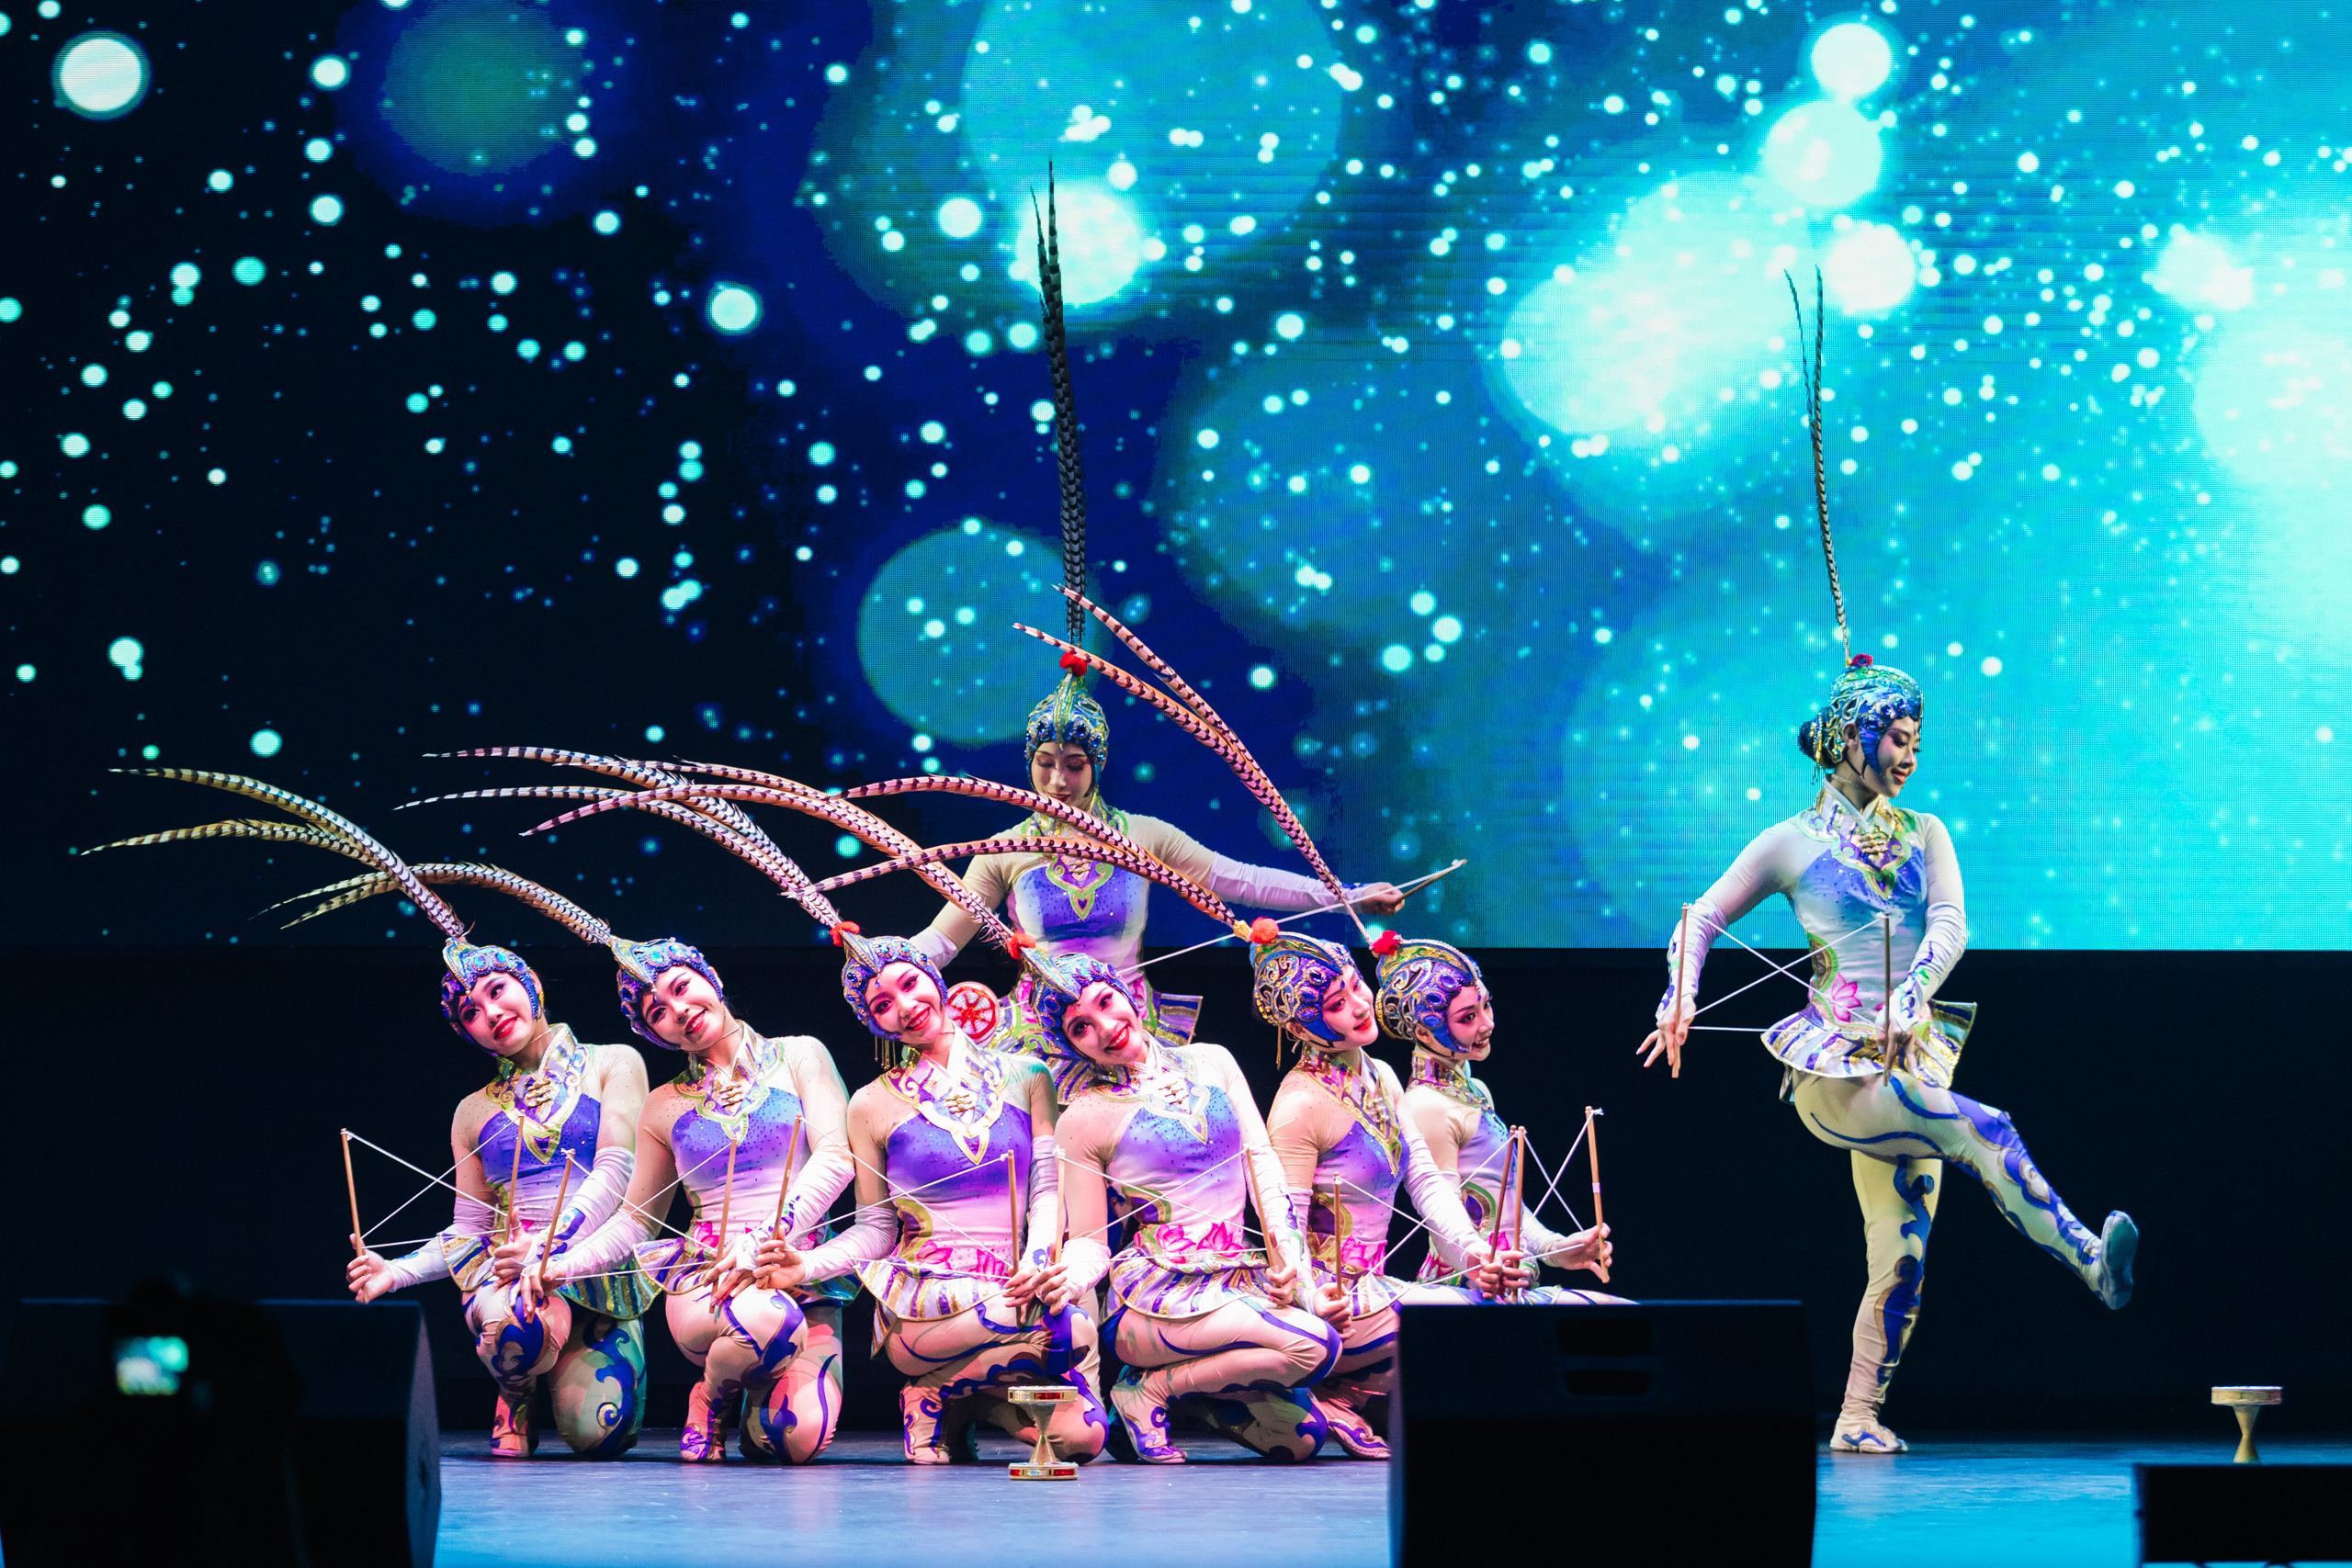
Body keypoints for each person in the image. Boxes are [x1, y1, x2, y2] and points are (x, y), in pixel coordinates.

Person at [1638, 288, 2136, 1455]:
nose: (1910, 752)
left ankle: (1858, 1415)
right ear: (1853, 737)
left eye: (1917, 736)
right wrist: (1678, 995)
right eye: (1895, 735)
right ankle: (2088, 1261)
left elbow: (1951, 925)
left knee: (1899, 1253)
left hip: (1909, 1047)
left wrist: (1916, 991)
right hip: (1836, 1063)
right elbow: (1699, 916)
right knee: (1986, 1128)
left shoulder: (1925, 833)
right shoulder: (1790, 841)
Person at [82, 769, 652, 1459]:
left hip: (595, 1270)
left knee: (600, 1434)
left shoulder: (613, 1062)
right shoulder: (473, 1111)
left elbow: (618, 1174)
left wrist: (552, 1245)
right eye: (470, 1012)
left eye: (498, 991)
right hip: (513, 1284)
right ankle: (517, 1384)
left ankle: (557, 1360)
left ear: (528, 984)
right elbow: (467, 1232)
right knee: (517, 1334)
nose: (490, 1012)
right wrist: (394, 1271)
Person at [757, 931, 1109, 1465]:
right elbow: (876, 1229)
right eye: (882, 1005)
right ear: (875, 1024)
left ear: (935, 978)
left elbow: (1045, 1187)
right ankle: (936, 1385)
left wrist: (1039, 1257)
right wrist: (805, 1265)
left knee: (1084, 1437)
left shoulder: (1028, 1076)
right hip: (926, 1306)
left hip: (1014, 1287)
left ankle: (952, 1397)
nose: (904, 1005)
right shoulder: (870, 1104)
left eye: (909, 983)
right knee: (1070, 1326)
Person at [527, 937, 854, 1464]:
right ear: (652, 1032)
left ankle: (757, 1399)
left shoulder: (800, 1055)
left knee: (793, 1441)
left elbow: (836, 1159)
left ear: (712, 979)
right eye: (658, 1012)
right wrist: (563, 1264)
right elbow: (636, 1220)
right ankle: (713, 1395)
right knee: (767, 1324)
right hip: (710, 1280)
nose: (678, 1010)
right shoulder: (662, 1106)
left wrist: (761, 1242)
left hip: (799, 1273)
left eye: (682, 988)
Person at [1026, 949, 1347, 1462]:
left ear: (1127, 992)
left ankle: (1184, 1395)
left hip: (1235, 1278)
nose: (1105, 1027)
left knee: (1302, 1437)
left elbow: (1264, 1172)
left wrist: (1299, 1276)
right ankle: (1149, 1392)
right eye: (1080, 1028)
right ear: (1071, 1046)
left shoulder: (1213, 1061)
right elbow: (1089, 1242)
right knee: (1314, 1345)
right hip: (1154, 1299)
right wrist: (1070, 1278)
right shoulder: (1082, 1118)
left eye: (1106, 1002)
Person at [1258, 931, 1519, 1460]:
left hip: (1373, 1288)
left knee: (1485, 1329)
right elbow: (1284, 1225)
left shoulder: (1381, 1076)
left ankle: (1344, 1392)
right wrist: (1312, 1300)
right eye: (1336, 1004)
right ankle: (1315, 1384)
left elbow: (1425, 1181)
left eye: (1357, 986)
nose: (1359, 1005)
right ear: (1298, 1026)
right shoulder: (1299, 1105)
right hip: (1330, 1302)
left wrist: (1473, 1253)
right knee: (1468, 1328)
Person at [1378, 937, 1620, 1303]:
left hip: (1511, 1282)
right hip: (1467, 1288)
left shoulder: (1475, 1090)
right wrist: (1480, 1266)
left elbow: (1506, 1207)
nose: (1487, 1023)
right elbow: (1441, 1218)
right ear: (1424, 1032)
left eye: (1486, 1005)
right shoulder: (1426, 1105)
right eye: (1468, 1017)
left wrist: (1557, 1248)